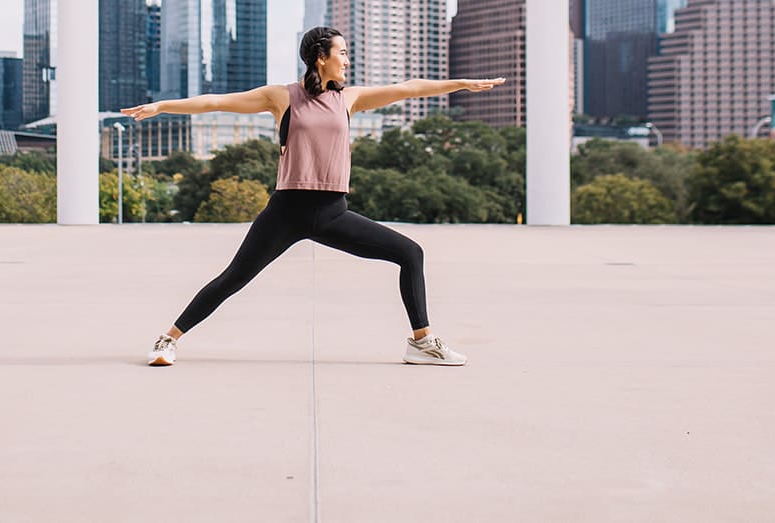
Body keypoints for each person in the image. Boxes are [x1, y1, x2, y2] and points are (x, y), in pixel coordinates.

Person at [123, 26, 503, 368]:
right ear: (321, 57)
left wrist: (461, 84)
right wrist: (162, 106)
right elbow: (216, 102)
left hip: (333, 212)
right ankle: (168, 340)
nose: (348, 61)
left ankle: (422, 343)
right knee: (233, 278)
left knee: (410, 253)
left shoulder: (349, 99)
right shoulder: (282, 97)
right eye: (342, 53)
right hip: (286, 211)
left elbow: (409, 87)